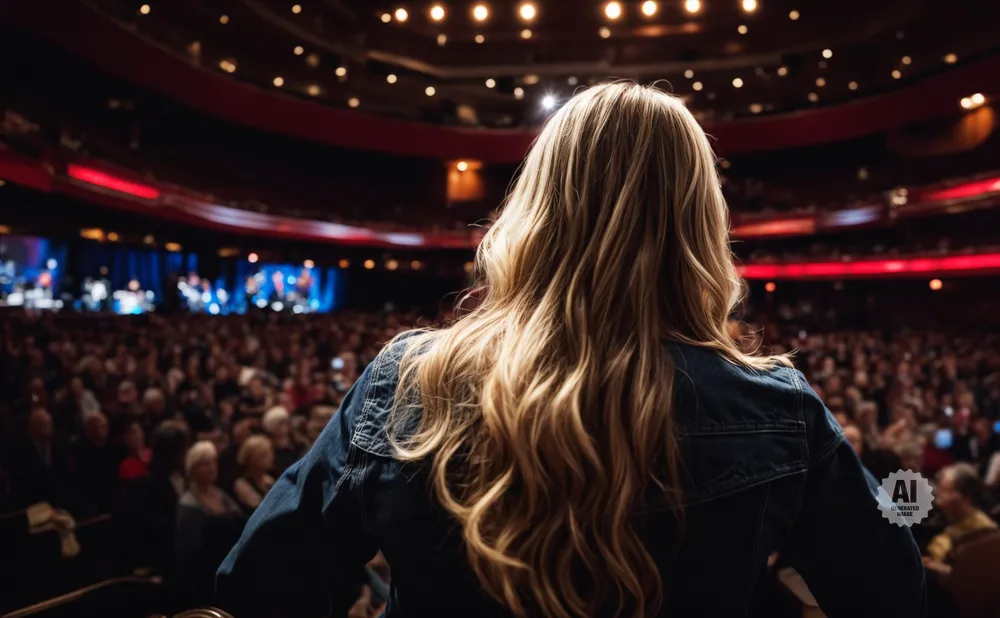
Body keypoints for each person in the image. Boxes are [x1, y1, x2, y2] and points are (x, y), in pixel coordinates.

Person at [215, 83, 921, 616]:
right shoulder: (779, 411)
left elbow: (258, 588)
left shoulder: (406, 382)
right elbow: (893, 594)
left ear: (538, 208)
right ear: (700, 226)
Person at [176, 441, 243, 606]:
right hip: (205, 575)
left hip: (230, 566)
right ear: (192, 469)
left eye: (213, 462)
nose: (212, 468)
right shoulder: (189, 503)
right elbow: (190, 552)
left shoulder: (220, 494)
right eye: (205, 464)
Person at [922, 463, 997, 576]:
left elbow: (980, 578)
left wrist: (944, 570)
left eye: (945, 492)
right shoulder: (940, 518)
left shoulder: (985, 532)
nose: (938, 501)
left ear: (966, 498)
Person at [232, 435, 274, 514]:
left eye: (270, 453)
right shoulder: (241, 484)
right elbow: (260, 509)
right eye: (264, 455)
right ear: (252, 459)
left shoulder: (269, 480)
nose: (270, 457)